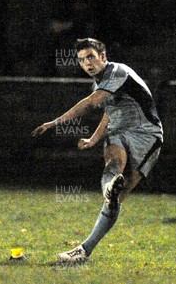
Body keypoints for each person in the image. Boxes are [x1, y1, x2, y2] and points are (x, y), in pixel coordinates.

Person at [32, 38, 163, 263]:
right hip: (119, 131)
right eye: (82, 59)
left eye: (91, 56)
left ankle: (106, 203)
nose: (87, 63)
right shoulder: (99, 84)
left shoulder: (118, 71)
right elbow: (108, 111)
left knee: (119, 197)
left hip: (147, 135)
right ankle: (84, 248)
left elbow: (92, 103)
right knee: (112, 164)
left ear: (103, 56)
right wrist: (94, 139)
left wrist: (55, 122)